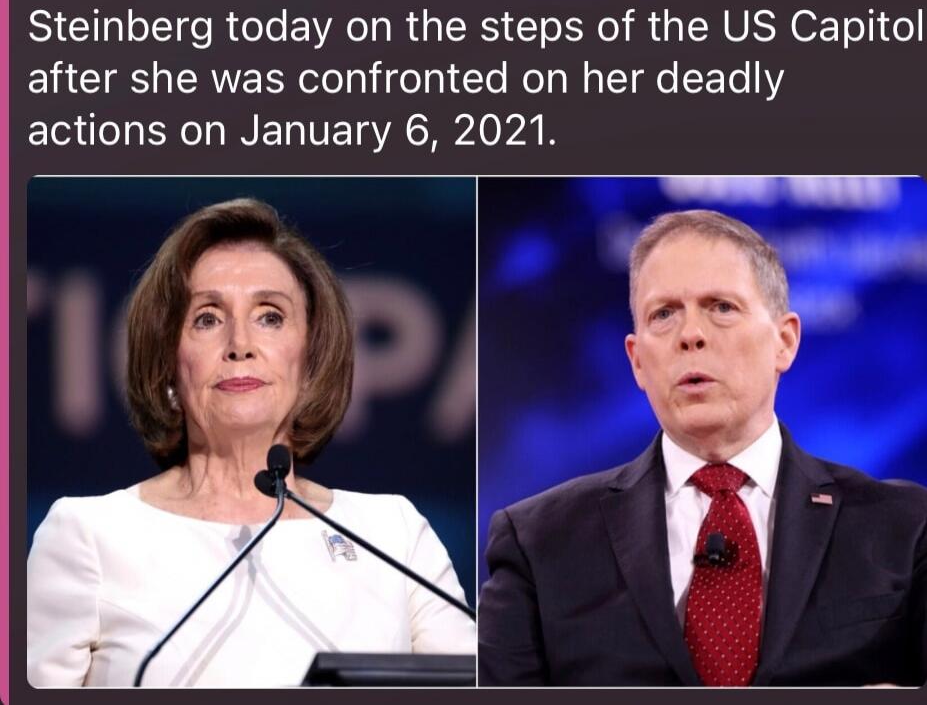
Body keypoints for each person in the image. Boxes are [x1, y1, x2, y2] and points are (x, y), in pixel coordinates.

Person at [28, 198, 474, 687]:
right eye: (207, 318)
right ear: (169, 365)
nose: (240, 343)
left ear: (310, 360)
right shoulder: (88, 536)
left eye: (270, 317)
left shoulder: (394, 535)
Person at [479, 209, 927, 687]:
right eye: (664, 314)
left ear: (785, 341)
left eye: (721, 307)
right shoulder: (538, 543)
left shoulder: (906, 527)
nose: (691, 334)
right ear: (637, 361)